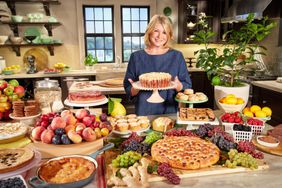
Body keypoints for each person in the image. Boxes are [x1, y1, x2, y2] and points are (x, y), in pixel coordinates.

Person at [123, 15, 192, 115]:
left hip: (169, 111)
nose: (160, 36)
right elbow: (128, 88)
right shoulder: (136, 57)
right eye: (156, 31)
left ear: (169, 35)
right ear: (149, 32)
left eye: (164, 32)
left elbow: (187, 85)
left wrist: (178, 86)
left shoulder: (177, 56)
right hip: (143, 112)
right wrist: (135, 88)